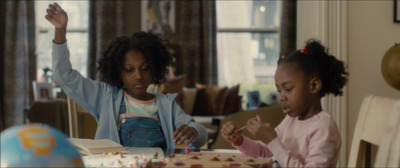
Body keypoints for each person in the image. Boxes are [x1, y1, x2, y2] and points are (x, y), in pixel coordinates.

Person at [45, 2, 207, 149]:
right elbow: (63, 75)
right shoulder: (104, 96)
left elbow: (201, 133)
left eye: (145, 68)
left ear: (154, 70)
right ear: (119, 72)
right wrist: (60, 30)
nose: (138, 76)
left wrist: (192, 131)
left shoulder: (166, 104)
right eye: (129, 70)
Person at [221, 39, 348, 167]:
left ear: (314, 86)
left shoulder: (323, 127)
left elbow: (275, 147)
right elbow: (265, 151)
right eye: (279, 90)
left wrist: (272, 140)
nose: (281, 97)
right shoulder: (291, 120)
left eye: (288, 89)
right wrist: (240, 141)